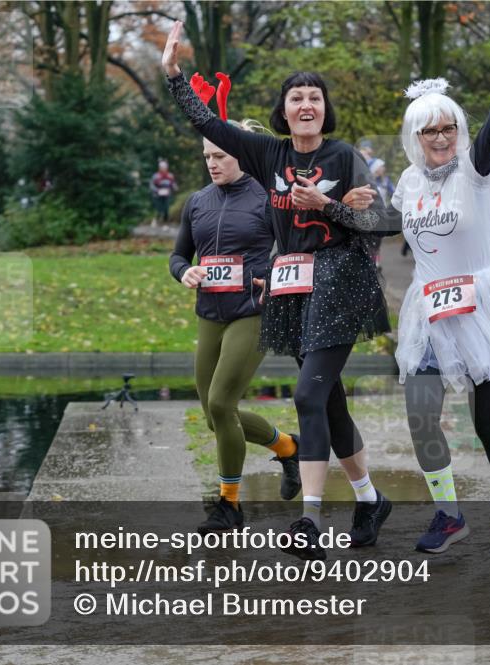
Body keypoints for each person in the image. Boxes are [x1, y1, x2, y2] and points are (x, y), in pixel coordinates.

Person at [163, 21, 395, 560]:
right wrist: (174, 73)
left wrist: (329, 207)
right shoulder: (268, 155)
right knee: (330, 402)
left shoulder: (343, 157)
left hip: (340, 281)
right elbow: (206, 120)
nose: (307, 103)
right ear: (284, 110)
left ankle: (310, 520)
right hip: (293, 286)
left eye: (315, 96)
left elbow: (385, 221)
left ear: (324, 109)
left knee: (310, 395)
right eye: (297, 97)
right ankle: (369, 498)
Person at [387, 43, 490, 555]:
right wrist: (330, 206)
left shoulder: (475, 170)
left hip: (482, 307)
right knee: (420, 415)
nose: (440, 138)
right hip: (430, 310)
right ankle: (448, 514)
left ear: (458, 130)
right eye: (429, 130)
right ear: (415, 137)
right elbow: (386, 229)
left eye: (448, 128)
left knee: (487, 423)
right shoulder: (409, 183)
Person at [169, 112, 301, 531]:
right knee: (213, 415)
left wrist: (275, 272)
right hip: (209, 313)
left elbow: (295, 246)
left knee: (222, 404)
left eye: (221, 155)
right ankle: (286, 447)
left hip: (252, 312)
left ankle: (230, 504)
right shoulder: (197, 201)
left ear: (241, 154)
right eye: (207, 156)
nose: (212, 163)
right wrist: (183, 272)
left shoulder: (266, 196)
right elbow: (178, 255)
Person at [150, 159, 178, 225]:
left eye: (165, 167)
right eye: (162, 167)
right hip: (157, 196)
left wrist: (175, 187)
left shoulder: (170, 175)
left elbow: (173, 183)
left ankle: (165, 223)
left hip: (167, 195)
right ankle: (156, 221)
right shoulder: (156, 176)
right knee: (158, 209)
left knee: (166, 209)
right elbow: (151, 185)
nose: (164, 169)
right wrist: (157, 190)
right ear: (159, 168)